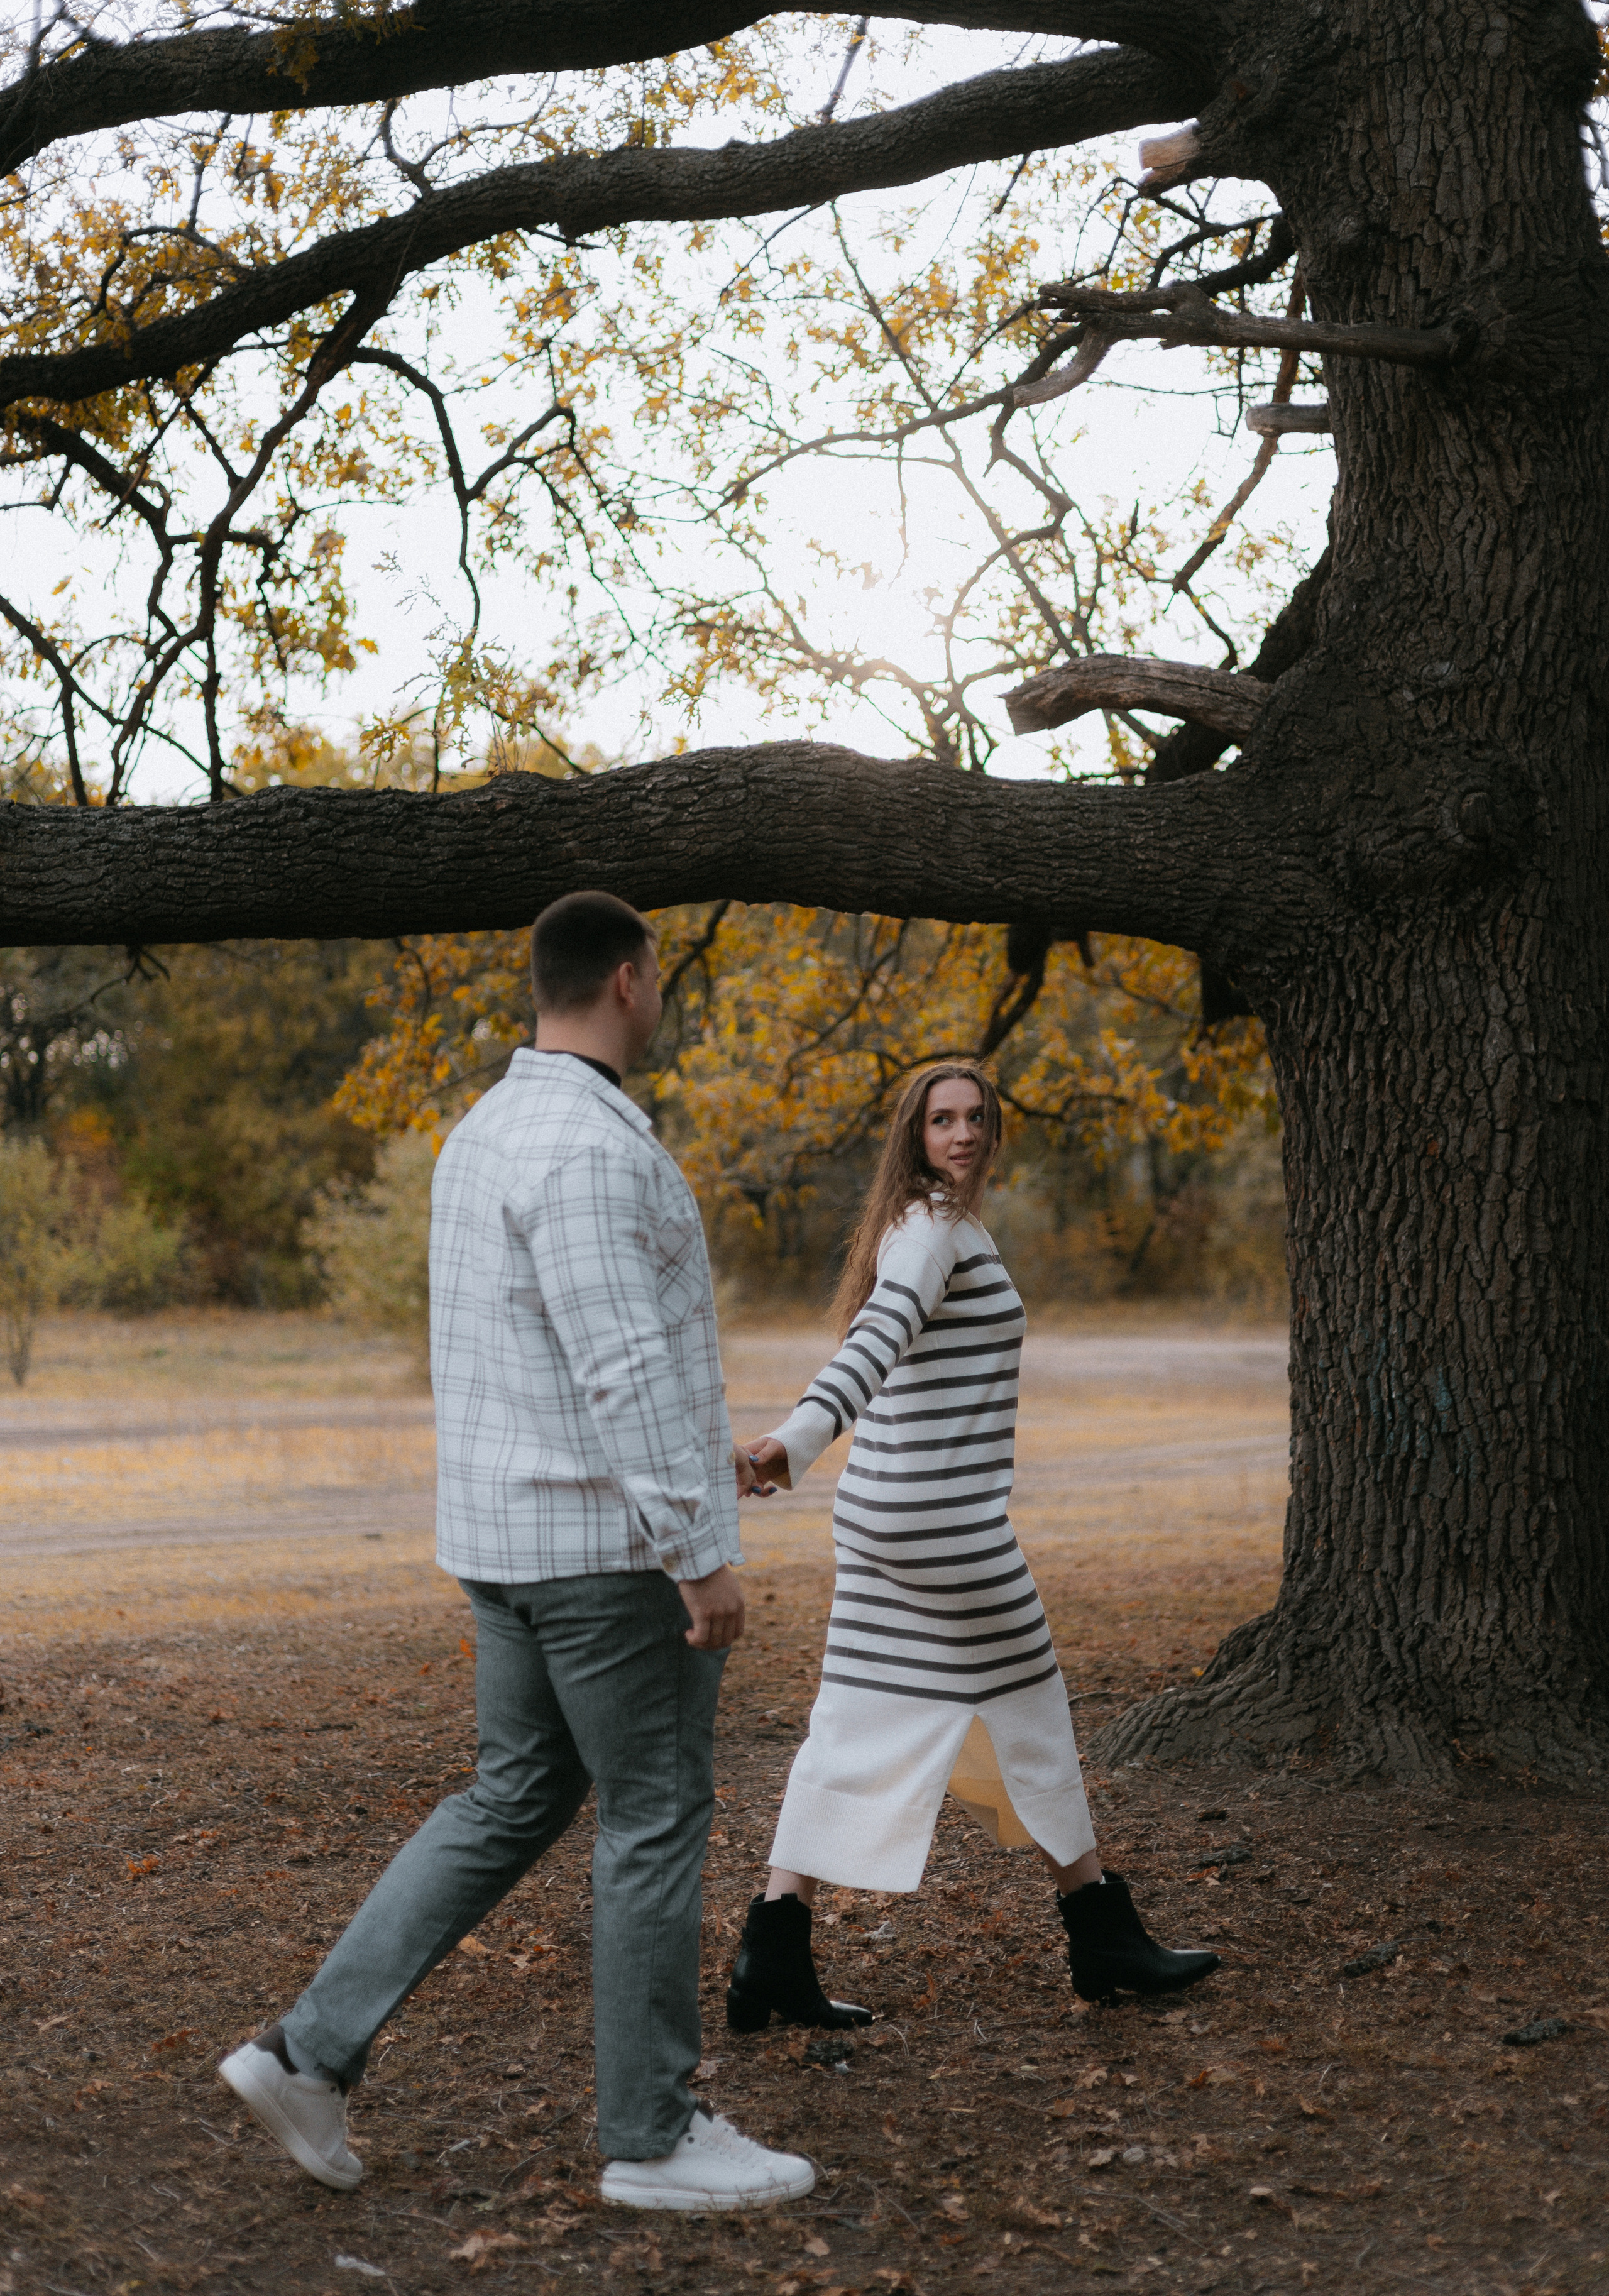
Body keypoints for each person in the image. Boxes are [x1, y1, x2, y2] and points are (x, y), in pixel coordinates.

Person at [219, 890, 813, 2214]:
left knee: (512, 1796)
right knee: (654, 1816)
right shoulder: (593, 1148)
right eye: (655, 977)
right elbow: (616, 1357)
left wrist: (685, 1454)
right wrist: (692, 1552)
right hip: (605, 1559)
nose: (657, 994)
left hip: (508, 1541)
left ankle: (305, 2057)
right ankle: (652, 2138)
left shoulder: (483, 1133)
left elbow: (547, 1355)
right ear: (625, 982)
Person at [725, 1062, 1217, 2030]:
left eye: (976, 1118)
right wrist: (797, 1441)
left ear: (994, 1133)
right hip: (944, 1528)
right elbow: (876, 1337)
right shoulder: (934, 1230)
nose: (961, 1134)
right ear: (914, 1137)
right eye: (941, 1120)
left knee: (853, 1719)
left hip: (881, 1522)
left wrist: (806, 1451)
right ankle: (1101, 1932)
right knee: (1031, 1705)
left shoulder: (930, 1226)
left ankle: (771, 1951)